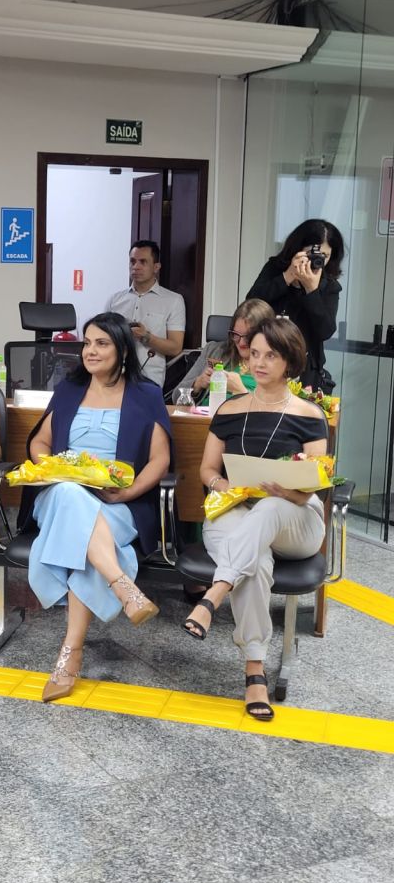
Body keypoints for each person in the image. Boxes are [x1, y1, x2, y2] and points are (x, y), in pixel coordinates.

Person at [21, 312, 172, 703]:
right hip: (60, 496)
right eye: (87, 343)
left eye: (101, 343)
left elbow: (160, 459)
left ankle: (69, 655)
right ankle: (122, 585)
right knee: (70, 495)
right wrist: (54, 468)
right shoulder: (69, 389)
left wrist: (127, 493)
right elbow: (39, 443)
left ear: (122, 349)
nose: (90, 351)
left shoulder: (146, 394)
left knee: (83, 543)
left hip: (116, 502)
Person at [182, 318, 328, 722]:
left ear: (290, 362)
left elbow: (314, 487)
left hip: (294, 517)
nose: (258, 363)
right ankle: (255, 670)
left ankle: (215, 594)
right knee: (257, 562)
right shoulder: (229, 409)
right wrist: (222, 484)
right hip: (235, 510)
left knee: (269, 508)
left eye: (271, 356)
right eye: (255, 353)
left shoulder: (309, 414)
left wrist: (287, 491)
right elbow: (206, 470)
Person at [246, 219, 345, 392]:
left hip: (305, 368)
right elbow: (251, 305)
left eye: (325, 256)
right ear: (297, 249)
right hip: (266, 359)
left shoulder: (329, 286)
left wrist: (312, 290)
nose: (317, 259)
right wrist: (287, 277)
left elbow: (325, 331)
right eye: (311, 253)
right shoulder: (275, 269)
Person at [106, 240, 185, 389]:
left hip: (149, 378)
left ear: (156, 267)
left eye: (143, 262)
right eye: (132, 261)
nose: (136, 267)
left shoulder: (173, 300)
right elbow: (103, 337)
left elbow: (175, 348)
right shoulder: (115, 300)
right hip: (114, 376)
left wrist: (146, 337)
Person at [174, 299, 275, 405]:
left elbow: (275, 410)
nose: (241, 342)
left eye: (248, 336)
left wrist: (241, 391)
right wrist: (197, 384)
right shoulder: (215, 350)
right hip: (205, 415)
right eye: (236, 334)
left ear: (265, 334)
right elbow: (176, 397)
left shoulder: (276, 364)